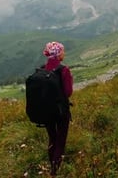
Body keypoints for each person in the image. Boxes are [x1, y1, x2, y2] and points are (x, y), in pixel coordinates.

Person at [42, 41, 73, 176]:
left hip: (47, 111)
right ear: (58, 54)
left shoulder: (43, 69)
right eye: (62, 51)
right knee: (61, 139)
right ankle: (55, 170)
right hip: (61, 110)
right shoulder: (63, 69)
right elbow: (68, 92)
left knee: (52, 138)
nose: (63, 53)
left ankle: (52, 163)